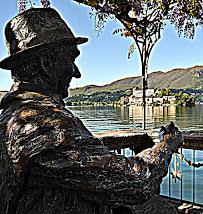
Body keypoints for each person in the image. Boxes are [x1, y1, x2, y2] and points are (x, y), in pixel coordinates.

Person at [0, 8, 182, 214]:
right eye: (71, 59)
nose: (77, 73)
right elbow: (137, 182)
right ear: (46, 63)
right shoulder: (43, 126)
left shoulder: (12, 115)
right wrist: (167, 144)